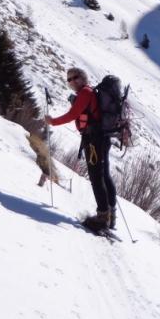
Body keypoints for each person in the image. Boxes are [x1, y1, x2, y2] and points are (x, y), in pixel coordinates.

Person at [46, 67, 117, 229]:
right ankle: (110, 216)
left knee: (96, 177)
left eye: (74, 77)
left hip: (94, 140)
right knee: (104, 175)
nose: (71, 82)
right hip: (102, 138)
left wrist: (52, 121)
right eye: (69, 79)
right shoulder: (89, 91)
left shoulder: (85, 93)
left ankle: (102, 217)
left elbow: (73, 114)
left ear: (83, 78)